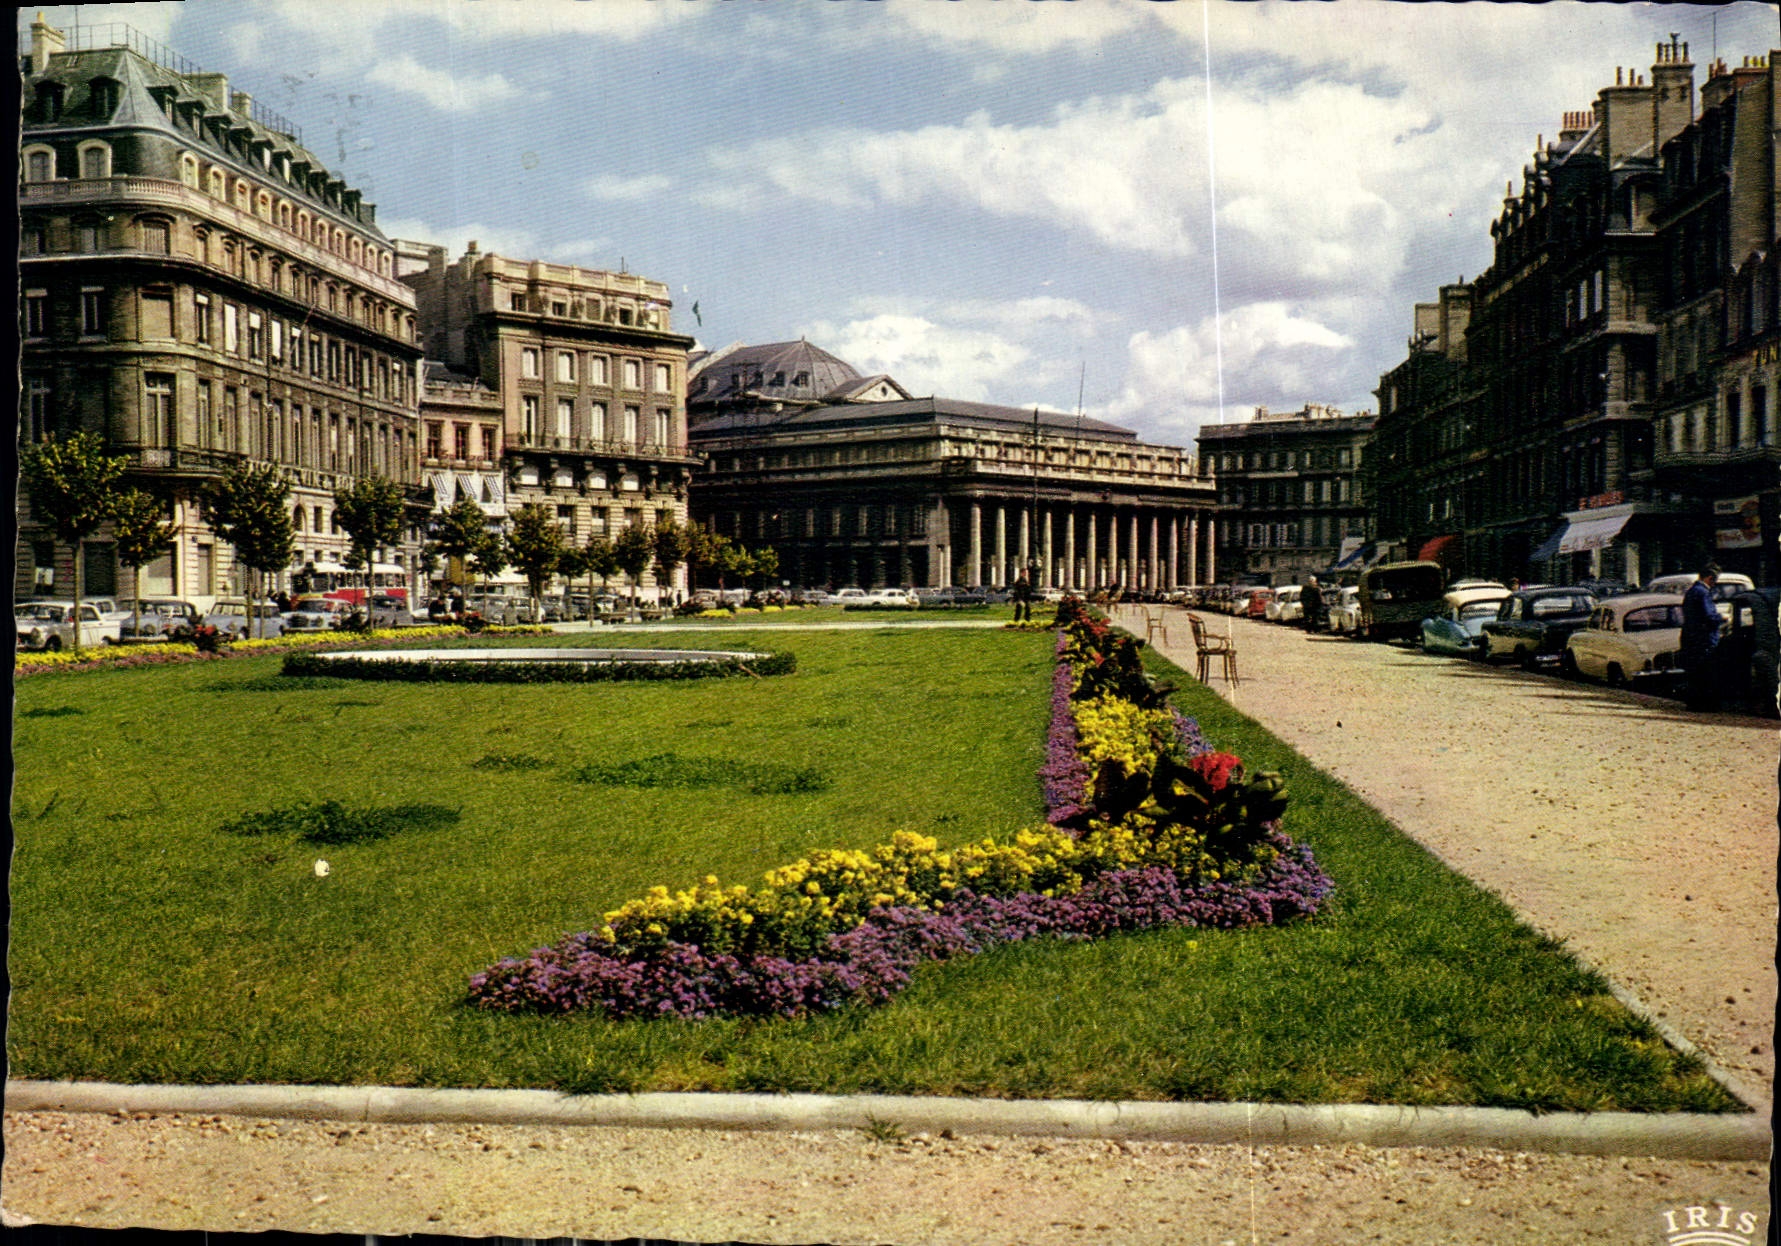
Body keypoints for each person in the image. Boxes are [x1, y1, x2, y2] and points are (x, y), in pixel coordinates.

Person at [1680, 563, 1723, 711]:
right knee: (1706, 672)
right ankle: (1705, 704)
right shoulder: (1703, 593)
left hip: (1690, 637)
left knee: (1694, 673)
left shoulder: (1691, 591)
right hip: (1704, 639)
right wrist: (1722, 618)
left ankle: (1693, 703)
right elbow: (1708, 616)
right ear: (1710, 578)